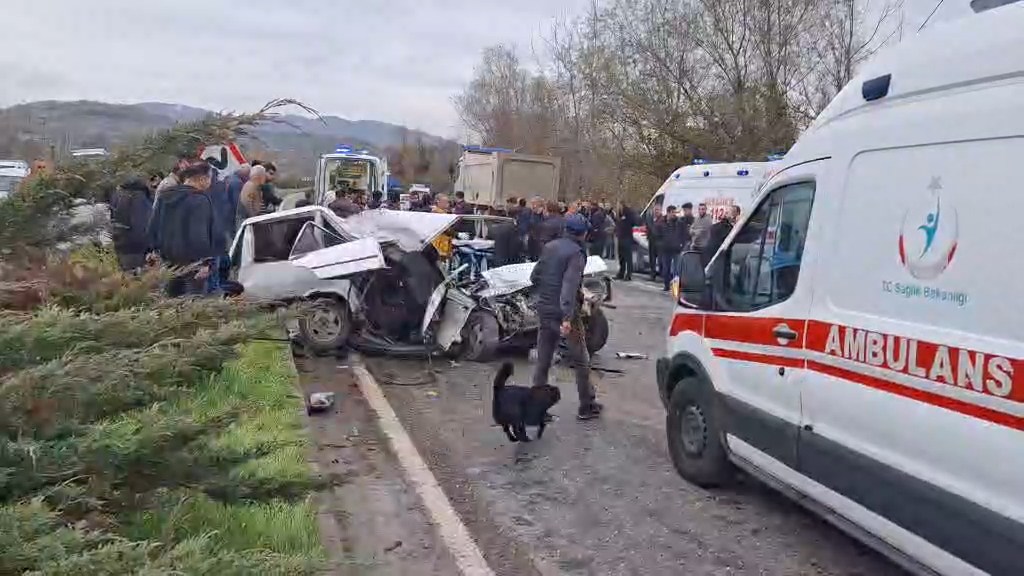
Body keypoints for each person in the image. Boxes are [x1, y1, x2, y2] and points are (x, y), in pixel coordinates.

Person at [530, 214, 602, 421]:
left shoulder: (550, 247)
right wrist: (567, 318)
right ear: (583, 233)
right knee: (581, 359)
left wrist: (545, 296)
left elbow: (534, 277)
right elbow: (568, 287)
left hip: (544, 309)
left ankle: (536, 408)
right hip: (563, 312)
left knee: (544, 358)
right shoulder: (577, 253)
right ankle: (586, 405)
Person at [147, 161, 219, 297]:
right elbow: (199, 234)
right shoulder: (200, 200)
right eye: (210, 179)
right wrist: (206, 262)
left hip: (168, 260)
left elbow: (153, 225)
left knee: (171, 300)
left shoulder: (164, 196)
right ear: (202, 179)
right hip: (193, 264)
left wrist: (151, 250)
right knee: (194, 301)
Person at [110, 177, 154, 272]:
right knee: (139, 275)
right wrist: (151, 246)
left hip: (120, 243)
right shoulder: (140, 199)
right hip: (138, 246)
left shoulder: (118, 196)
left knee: (126, 274)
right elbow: (143, 224)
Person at [656, 205, 688, 291]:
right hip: (665, 249)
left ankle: (675, 288)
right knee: (666, 269)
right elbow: (657, 235)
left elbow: (684, 234)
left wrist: (682, 245)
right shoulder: (661, 223)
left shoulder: (679, 223)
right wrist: (661, 244)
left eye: (675, 212)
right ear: (668, 213)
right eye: (672, 212)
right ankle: (666, 285)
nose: (674, 214)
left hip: (676, 249)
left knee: (676, 270)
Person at [615, 200, 639, 280]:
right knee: (621, 257)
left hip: (627, 237)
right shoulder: (619, 214)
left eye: (619, 205)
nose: (617, 207)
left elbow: (633, 222)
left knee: (628, 257)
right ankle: (621, 273)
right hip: (620, 237)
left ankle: (629, 274)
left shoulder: (629, 213)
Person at [645, 204, 664, 281]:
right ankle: (652, 275)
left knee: (661, 260)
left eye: (658, 210)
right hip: (652, 241)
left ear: (661, 211)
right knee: (652, 260)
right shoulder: (650, 219)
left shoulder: (663, 219)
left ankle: (662, 275)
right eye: (655, 210)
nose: (656, 211)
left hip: (660, 242)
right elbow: (648, 228)